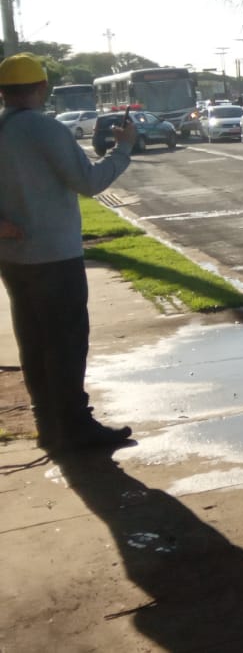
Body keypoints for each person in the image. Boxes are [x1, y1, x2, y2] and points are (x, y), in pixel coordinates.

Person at [0, 53, 139, 451]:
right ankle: (76, 427)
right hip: (54, 258)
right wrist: (123, 149)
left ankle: (48, 423)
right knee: (66, 342)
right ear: (41, 88)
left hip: (12, 258)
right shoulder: (46, 130)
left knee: (33, 340)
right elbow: (90, 182)